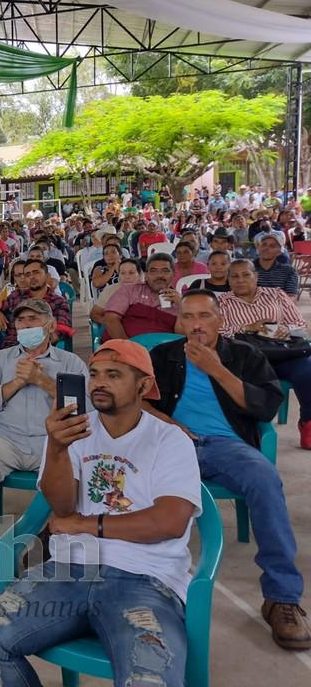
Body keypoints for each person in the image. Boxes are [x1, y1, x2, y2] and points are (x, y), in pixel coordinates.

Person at [0, 339, 202, 687]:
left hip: (146, 581)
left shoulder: (169, 440)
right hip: (69, 571)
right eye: (93, 374)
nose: (99, 382)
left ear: (144, 385)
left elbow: (168, 521)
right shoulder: (72, 429)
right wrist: (59, 450)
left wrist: (84, 524)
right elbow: (62, 506)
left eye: (113, 374)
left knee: (149, 679)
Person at [146, 290, 310, 649]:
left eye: (204, 316)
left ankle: (282, 597)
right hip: (172, 445)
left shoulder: (245, 355)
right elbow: (138, 404)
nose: (196, 325)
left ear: (221, 320)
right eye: (187, 317)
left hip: (226, 446)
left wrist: (216, 369)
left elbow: (265, 407)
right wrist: (168, 425)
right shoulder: (164, 355)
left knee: (265, 479)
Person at [0, 300, 89, 595]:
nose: (26, 326)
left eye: (33, 319)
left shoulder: (70, 363)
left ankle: (49, 536)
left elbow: (82, 410)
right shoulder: (0, 360)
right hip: (6, 438)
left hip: (51, 441)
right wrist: (17, 382)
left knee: (75, 471)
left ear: (50, 325)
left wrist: (41, 380)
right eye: (21, 322)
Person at [218, 259, 311, 447]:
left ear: (256, 276)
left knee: (307, 372)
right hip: (246, 357)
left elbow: (300, 326)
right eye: (234, 276)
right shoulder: (222, 302)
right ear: (228, 280)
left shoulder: (276, 294)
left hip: (283, 353)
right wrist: (247, 327)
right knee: (239, 380)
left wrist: (285, 329)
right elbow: (218, 331)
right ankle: (252, 429)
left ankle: (308, 422)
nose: (240, 280)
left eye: (246, 274)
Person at [0, 259, 72, 349]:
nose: (32, 277)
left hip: (43, 351)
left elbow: (63, 327)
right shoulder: (16, 295)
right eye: (28, 275)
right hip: (12, 348)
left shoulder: (58, 302)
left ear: (47, 276)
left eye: (36, 273)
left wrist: (39, 342)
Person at [102, 253, 179, 340]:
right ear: (146, 275)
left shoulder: (181, 302)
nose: (159, 275)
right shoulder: (129, 291)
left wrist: (182, 307)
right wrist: (128, 347)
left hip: (165, 350)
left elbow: (184, 335)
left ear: (174, 275)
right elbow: (111, 319)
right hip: (124, 347)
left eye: (165, 271)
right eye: (153, 271)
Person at [89, 258, 142, 327]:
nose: (127, 277)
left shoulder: (147, 290)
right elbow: (94, 313)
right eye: (123, 273)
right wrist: (107, 323)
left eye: (131, 273)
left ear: (139, 275)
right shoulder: (110, 290)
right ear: (119, 276)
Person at [254, 231, 299, 297]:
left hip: (280, 306)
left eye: (272, 246)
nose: (267, 248)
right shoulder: (247, 268)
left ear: (279, 252)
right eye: (264, 245)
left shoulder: (289, 271)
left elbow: (291, 297)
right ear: (258, 247)